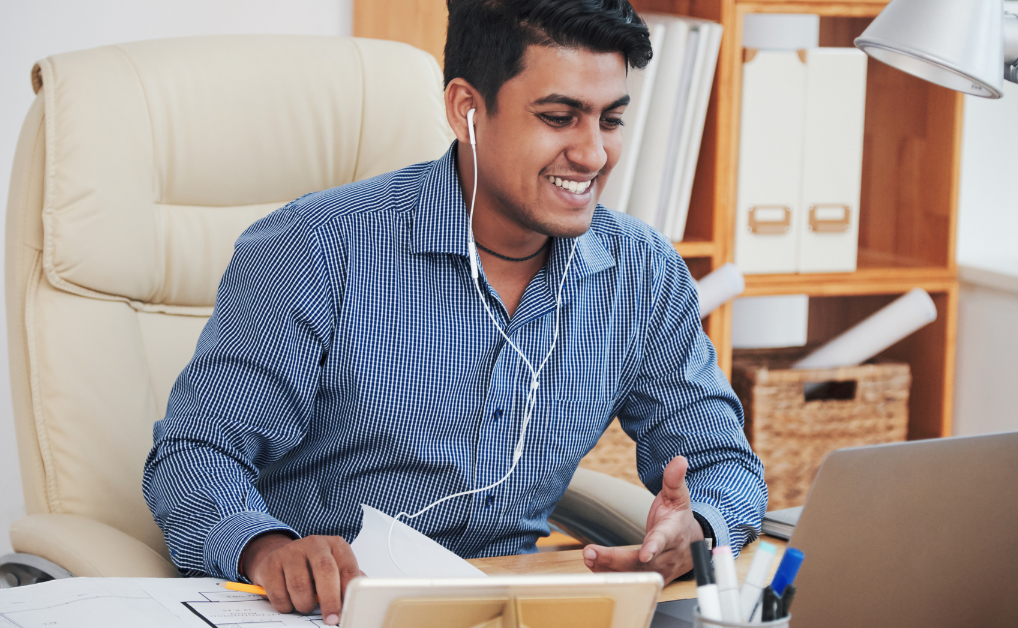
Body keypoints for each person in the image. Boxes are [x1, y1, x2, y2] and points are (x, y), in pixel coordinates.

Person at [142, 0, 767, 624]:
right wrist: (265, 549)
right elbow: (194, 455)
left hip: (513, 607)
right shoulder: (317, 248)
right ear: (467, 108)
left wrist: (700, 528)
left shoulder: (640, 270)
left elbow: (722, 462)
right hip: (327, 610)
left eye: (611, 120)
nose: (593, 154)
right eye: (559, 117)